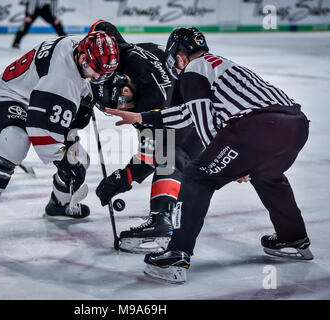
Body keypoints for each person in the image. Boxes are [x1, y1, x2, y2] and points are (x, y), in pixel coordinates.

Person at [106, 27, 312, 283]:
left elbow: (204, 124)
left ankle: (176, 256)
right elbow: (187, 114)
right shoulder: (218, 65)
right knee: (267, 175)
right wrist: (140, 117)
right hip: (296, 125)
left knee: (197, 176)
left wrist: (224, 163)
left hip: (258, 127)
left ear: (179, 58)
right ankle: (293, 239)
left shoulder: (192, 72)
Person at [0, 31, 119, 249]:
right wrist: (63, 161)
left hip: (37, 96)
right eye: (96, 72)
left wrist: (86, 101)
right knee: (15, 143)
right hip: (9, 96)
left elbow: (100, 34)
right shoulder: (61, 78)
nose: (97, 78)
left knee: (80, 159)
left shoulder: (79, 48)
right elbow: (41, 132)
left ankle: (59, 204)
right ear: (83, 58)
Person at [88, 20, 204, 254]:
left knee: (171, 154)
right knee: (169, 149)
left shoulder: (150, 103)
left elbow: (155, 152)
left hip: (202, 124)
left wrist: (124, 178)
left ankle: (161, 219)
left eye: (125, 103)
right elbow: (102, 25)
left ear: (127, 87)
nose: (126, 108)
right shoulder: (131, 54)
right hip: (201, 109)